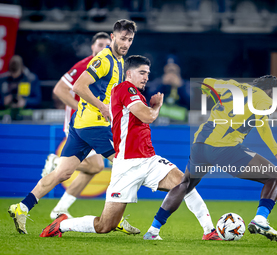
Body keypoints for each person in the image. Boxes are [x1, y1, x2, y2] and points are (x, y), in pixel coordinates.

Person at [39, 55, 220, 241]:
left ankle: (209, 231)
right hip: (126, 166)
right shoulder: (124, 89)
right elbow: (148, 116)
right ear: (129, 73)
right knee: (105, 225)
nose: (146, 77)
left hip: (149, 160)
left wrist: (150, 108)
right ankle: (61, 224)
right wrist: (156, 106)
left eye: (148, 73)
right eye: (142, 72)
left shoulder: (134, 92)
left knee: (185, 184)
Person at [8, 19, 139, 235]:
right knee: (126, 164)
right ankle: (116, 218)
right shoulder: (104, 59)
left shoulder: (120, 61)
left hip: (81, 125)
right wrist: (102, 107)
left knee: (63, 172)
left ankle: (22, 207)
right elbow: (78, 86)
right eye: (122, 38)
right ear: (113, 37)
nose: (126, 43)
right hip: (95, 124)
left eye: (130, 39)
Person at [143, 75, 277, 242]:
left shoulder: (232, 85)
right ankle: (260, 220)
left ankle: (153, 230)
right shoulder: (264, 99)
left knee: (185, 184)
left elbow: (206, 82)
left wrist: (211, 94)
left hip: (200, 144)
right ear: (271, 91)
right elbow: (262, 125)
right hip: (225, 148)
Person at [41, 32, 111, 220]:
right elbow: (59, 89)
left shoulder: (109, 67)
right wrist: (81, 107)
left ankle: (60, 208)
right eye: (100, 44)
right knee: (96, 165)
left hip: (94, 123)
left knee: (95, 167)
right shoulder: (83, 66)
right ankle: (56, 162)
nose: (104, 48)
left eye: (107, 45)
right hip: (77, 123)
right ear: (92, 47)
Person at [0, 55, 41, 120]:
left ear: (22, 68)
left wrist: (25, 102)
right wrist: (3, 101)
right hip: (5, 118)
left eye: (16, 72)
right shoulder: (3, 80)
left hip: (25, 119)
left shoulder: (31, 79)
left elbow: (37, 100)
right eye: (12, 72)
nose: (14, 76)